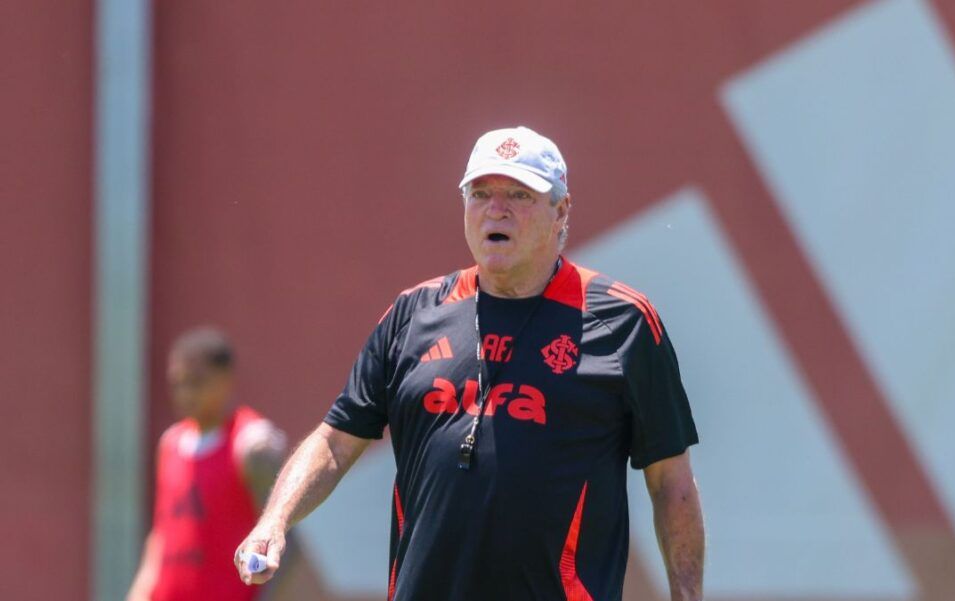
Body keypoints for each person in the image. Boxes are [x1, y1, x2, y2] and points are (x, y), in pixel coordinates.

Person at [236, 126, 705, 600]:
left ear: (561, 211)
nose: (495, 210)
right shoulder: (413, 314)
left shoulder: (622, 321)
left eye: (519, 195)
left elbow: (671, 482)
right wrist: (274, 522)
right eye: (480, 193)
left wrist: (687, 596)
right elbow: (336, 443)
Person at [128, 327, 288, 601]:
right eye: (178, 383)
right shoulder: (170, 444)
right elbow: (162, 533)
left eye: (196, 382)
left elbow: (286, 539)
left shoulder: (253, 444)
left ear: (226, 379)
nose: (185, 393)